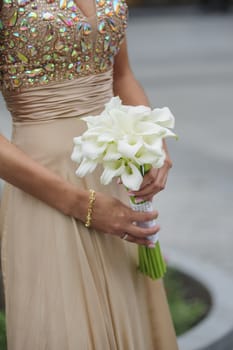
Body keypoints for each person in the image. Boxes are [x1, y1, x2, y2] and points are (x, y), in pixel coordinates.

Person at [0, 0, 178, 349]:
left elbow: (120, 75)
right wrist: (83, 205)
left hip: (113, 175)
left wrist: (151, 138)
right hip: (46, 187)